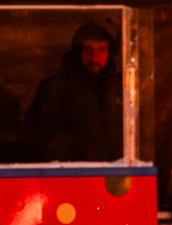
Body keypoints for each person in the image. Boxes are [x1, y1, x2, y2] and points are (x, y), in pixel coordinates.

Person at [21, 22, 122, 162]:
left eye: (101, 49)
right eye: (87, 50)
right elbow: (35, 138)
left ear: (109, 52)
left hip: (116, 170)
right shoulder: (53, 89)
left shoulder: (122, 88)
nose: (94, 57)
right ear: (78, 52)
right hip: (68, 170)